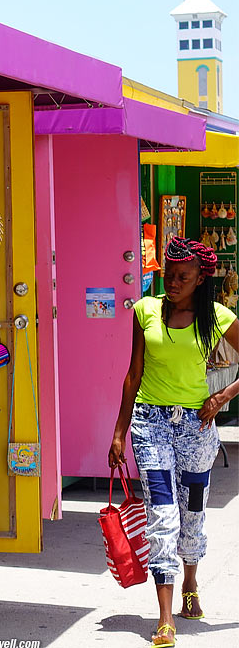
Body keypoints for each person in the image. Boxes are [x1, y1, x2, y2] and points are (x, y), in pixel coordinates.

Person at [109, 236, 238, 648]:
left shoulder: (217, 316)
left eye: (183, 276)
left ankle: (191, 583)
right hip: (151, 422)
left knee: (193, 511)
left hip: (197, 427)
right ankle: (165, 619)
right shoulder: (145, 310)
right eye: (168, 274)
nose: (173, 282)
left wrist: (224, 396)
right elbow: (133, 374)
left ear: (201, 279)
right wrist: (118, 431)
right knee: (162, 515)